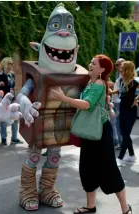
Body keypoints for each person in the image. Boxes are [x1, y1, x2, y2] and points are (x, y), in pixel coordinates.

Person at [51, 54, 132, 214]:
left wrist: (63, 98)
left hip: (101, 133)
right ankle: (90, 206)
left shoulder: (99, 84)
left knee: (109, 170)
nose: (90, 64)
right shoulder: (91, 82)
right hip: (90, 132)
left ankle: (125, 208)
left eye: (93, 63)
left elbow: (87, 104)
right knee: (87, 169)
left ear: (101, 69)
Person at [116, 61, 139, 165]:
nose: (120, 68)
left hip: (131, 110)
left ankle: (120, 158)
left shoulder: (134, 82)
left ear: (127, 69)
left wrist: (137, 98)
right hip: (122, 109)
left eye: (123, 67)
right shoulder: (121, 80)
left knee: (126, 134)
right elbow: (121, 93)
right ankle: (131, 155)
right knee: (124, 133)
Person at [0, 57, 22, 145]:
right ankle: (4, 138)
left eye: (12, 63)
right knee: (4, 118)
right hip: (5, 98)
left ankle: (14, 137)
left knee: (15, 117)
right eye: (10, 63)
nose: (12, 65)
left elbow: (14, 86)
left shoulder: (12, 75)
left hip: (13, 97)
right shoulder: (1, 74)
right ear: (5, 64)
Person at [110, 58, 125, 149]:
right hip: (117, 102)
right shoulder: (120, 76)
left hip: (118, 102)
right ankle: (119, 142)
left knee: (115, 123)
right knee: (116, 123)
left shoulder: (124, 76)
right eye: (116, 65)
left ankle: (117, 142)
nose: (117, 66)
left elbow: (120, 90)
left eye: (118, 64)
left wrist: (109, 91)